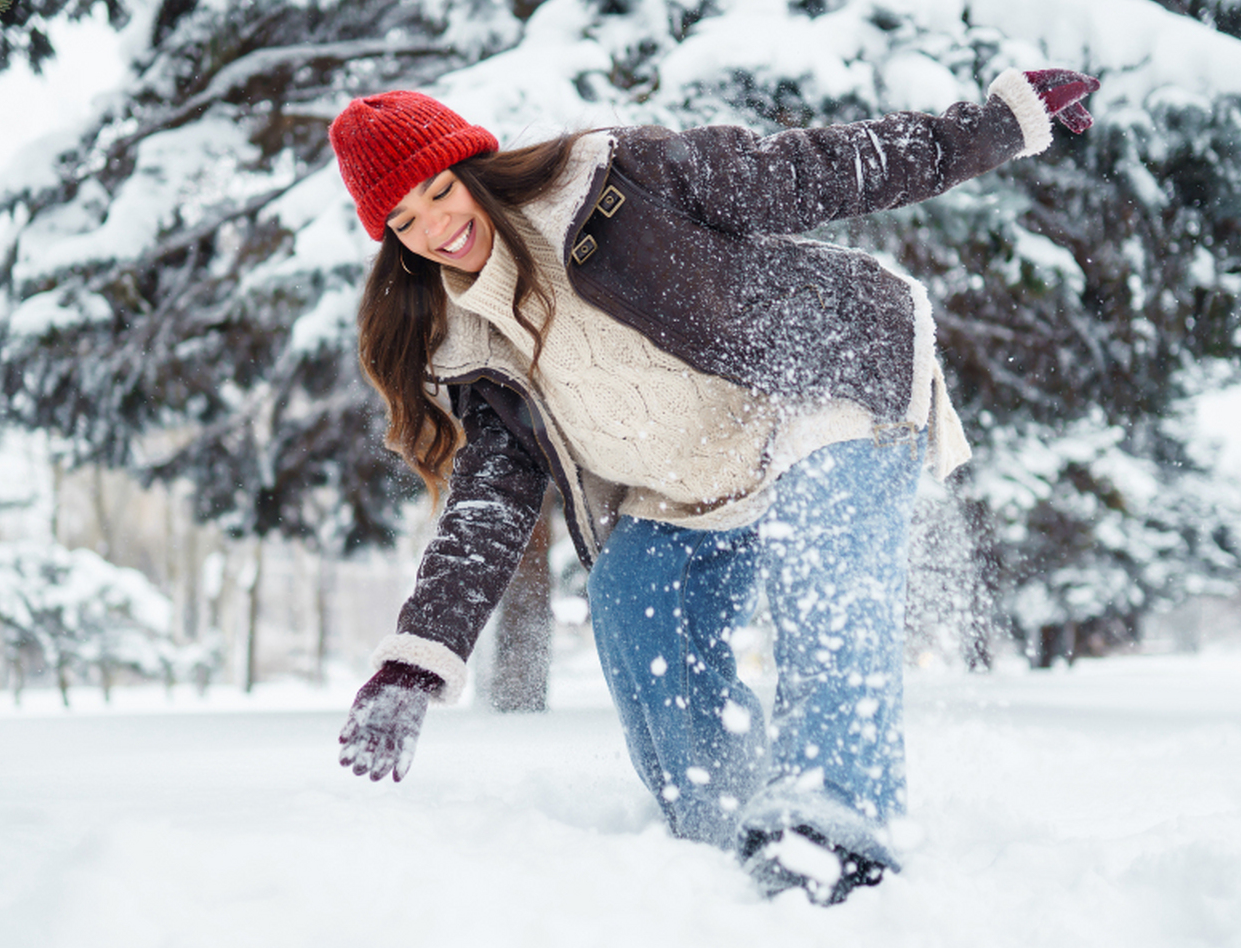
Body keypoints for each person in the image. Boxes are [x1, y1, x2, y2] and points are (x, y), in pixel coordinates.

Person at [329, 68, 1099, 904]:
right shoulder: (468, 344)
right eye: (402, 221)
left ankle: (837, 818)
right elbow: (484, 509)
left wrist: (997, 125)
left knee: (823, 566)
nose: (435, 228)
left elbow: (817, 170)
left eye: (439, 192)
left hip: (821, 395)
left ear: (473, 167)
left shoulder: (619, 180)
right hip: (694, 483)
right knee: (630, 593)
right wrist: (417, 660)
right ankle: (728, 830)